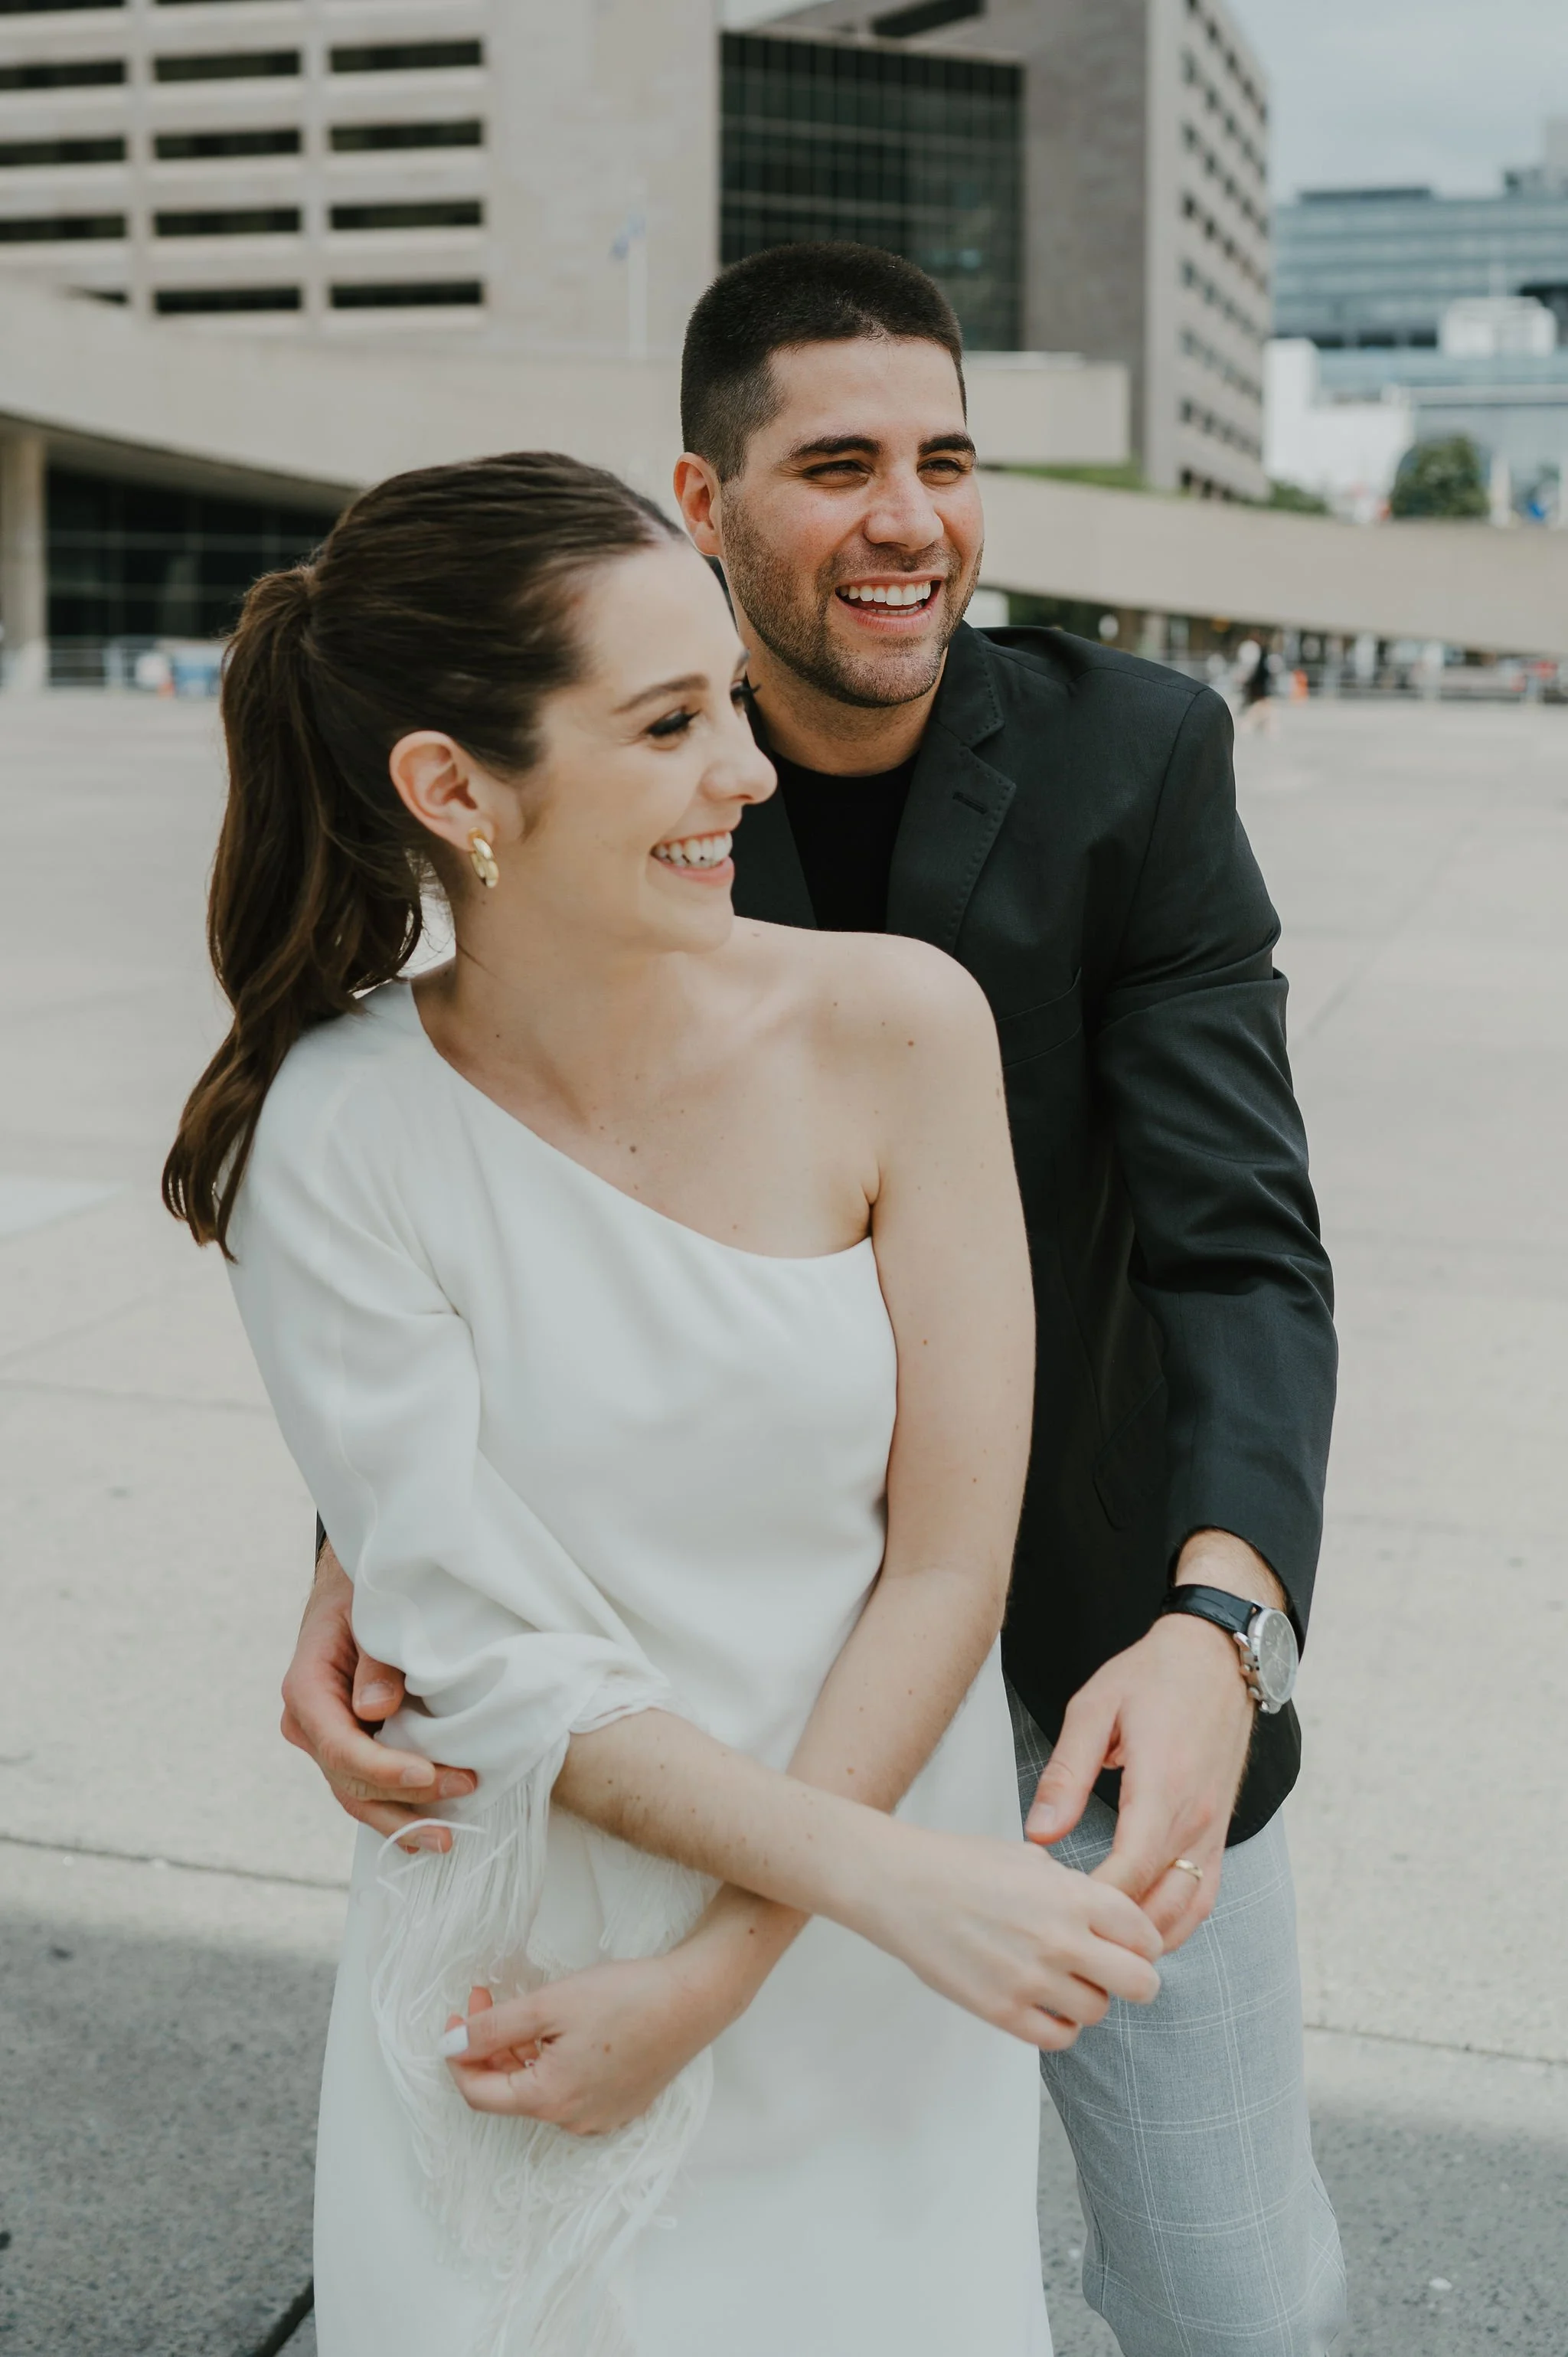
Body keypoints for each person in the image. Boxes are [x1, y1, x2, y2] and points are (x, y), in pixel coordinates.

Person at [286, 248, 1348, 2355]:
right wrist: (363, 1523)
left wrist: (1226, 1621)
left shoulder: (1136, 754)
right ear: (700, 495)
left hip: (1088, 1650)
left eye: (948, 459)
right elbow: (487, 1173)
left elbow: (1240, 1235)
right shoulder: (595, 768)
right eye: (839, 462)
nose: (911, 517)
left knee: (1236, 2294)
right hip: (705, 1672)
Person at [164, 452, 1167, 2356]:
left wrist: (743, 1959)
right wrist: (878, 1886)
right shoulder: (334, 1128)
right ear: (455, 790)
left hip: (871, 1971)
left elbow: (949, 1562)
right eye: (669, 722)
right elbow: (483, 1651)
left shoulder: (902, 1027)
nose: (752, 772)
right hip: (545, 1977)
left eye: (728, 696)